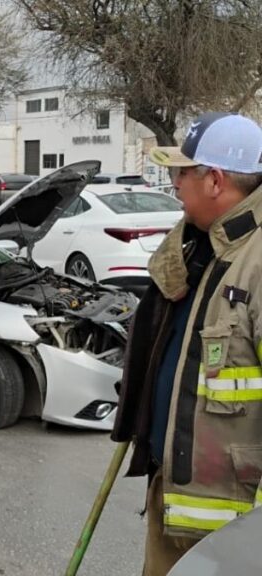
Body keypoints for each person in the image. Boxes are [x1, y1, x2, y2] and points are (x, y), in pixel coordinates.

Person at [112, 112, 262, 575]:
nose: (174, 184)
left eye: (183, 173)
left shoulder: (256, 263)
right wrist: (188, 236)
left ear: (215, 180)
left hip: (232, 528)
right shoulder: (208, 247)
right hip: (179, 497)